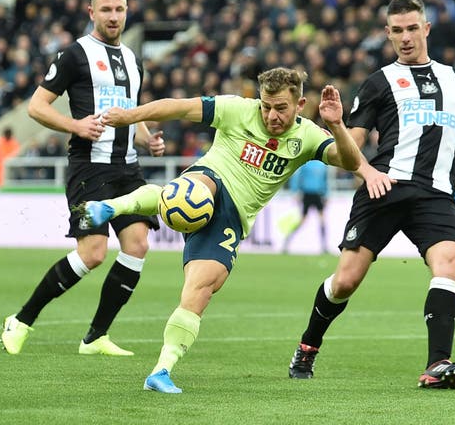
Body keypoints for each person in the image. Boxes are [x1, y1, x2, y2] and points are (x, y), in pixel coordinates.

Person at [82, 67, 363, 393]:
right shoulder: (236, 110)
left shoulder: (309, 136)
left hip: (232, 219)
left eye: (281, 108)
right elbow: (178, 106)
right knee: (191, 192)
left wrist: (337, 126)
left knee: (199, 291)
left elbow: (350, 161)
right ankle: (112, 207)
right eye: (265, 106)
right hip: (210, 179)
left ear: (300, 104)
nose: (271, 115)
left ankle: (161, 370)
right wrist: (130, 117)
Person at [287, 0, 455, 389]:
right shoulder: (378, 82)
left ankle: (436, 365)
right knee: (345, 282)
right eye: (397, 31)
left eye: (412, 28)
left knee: (451, 263)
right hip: (385, 188)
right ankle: (308, 346)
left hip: (436, 194)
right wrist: (352, 146)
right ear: (388, 34)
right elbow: (347, 149)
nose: (406, 37)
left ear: (426, 29)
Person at [0, 0, 166, 356]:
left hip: (128, 169)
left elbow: (129, 110)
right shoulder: (74, 55)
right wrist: (75, 126)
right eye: (105, 10)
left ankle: (96, 337)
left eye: (119, 9)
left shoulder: (133, 60)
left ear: (127, 12)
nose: (113, 16)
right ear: (91, 12)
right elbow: (36, 106)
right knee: (93, 253)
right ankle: (21, 319)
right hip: (90, 169)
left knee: (137, 246)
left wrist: (146, 138)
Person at [282, 160, 329, 254]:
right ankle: (287, 241)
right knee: (303, 220)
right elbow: (297, 178)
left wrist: (326, 194)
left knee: (322, 220)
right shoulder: (306, 163)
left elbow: (325, 180)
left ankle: (324, 246)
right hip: (307, 193)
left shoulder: (322, 165)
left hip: (318, 194)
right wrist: (295, 191)